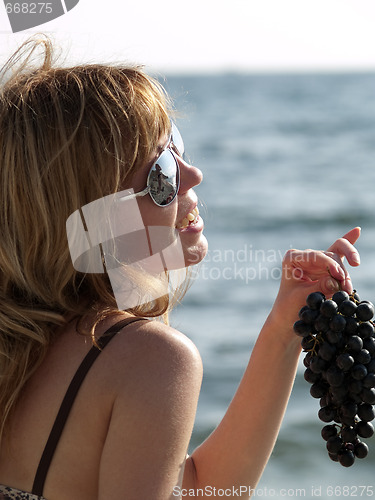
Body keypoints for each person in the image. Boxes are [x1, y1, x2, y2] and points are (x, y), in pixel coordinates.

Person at [0, 36, 361, 500]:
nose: (192, 174)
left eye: (177, 148)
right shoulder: (148, 358)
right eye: (161, 175)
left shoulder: (23, 350)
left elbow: (196, 488)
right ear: (95, 216)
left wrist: (280, 334)